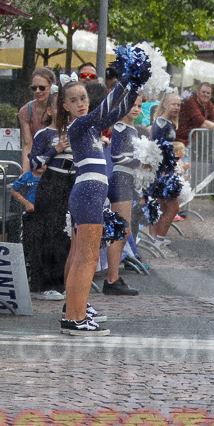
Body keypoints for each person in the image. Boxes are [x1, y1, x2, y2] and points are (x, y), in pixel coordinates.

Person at [60, 70, 143, 336]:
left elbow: (117, 112)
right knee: (87, 258)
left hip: (90, 193)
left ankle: (73, 312)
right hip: (88, 193)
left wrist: (132, 85)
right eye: (73, 100)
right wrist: (122, 81)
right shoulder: (79, 125)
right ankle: (76, 317)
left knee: (80, 257)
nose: (81, 103)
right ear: (65, 106)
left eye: (83, 98)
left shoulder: (91, 126)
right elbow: (105, 108)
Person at [27, 107, 74, 301]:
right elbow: (34, 162)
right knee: (48, 232)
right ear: (50, 110)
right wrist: (55, 150)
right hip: (53, 182)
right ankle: (42, 284)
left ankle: (60, 280)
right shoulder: (45, 133)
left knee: (65, 234)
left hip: (72, 182)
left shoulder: (75, 130)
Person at [103, 94, 143, 296]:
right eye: (132, 105)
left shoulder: (132, 129)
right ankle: (112, 278)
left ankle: (114, 277)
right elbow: (116, 155)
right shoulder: (120, 127)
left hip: (127, 180)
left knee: (125, 231)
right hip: (120, 179)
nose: (135, 109)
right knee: (120, 231)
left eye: (139, 105)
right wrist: (139, 161)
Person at [148, 90, 182, 249]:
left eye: (179, 104)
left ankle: (155, 239)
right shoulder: (161, 123)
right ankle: (157, 239)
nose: (176, 107)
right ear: (165, 105)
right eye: (173, 104)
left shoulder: (167, 122)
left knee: (163, 207)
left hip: (165, 170)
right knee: (173, 207)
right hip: (163, 172)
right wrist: (162, 169)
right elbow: (157, 147)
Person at [19, 67, 56, 173]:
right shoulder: (26, 111)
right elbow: (27, 144)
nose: (37, 91)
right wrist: (26, 173)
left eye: (42, 88)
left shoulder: (61, 109)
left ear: (52, 87)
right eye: (34, 88)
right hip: (37, 161)